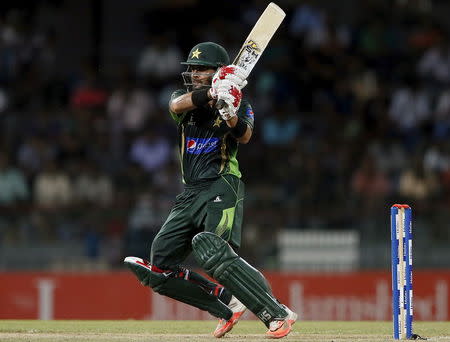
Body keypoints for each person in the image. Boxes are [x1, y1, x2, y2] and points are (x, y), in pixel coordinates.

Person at [124, 42, 297, 339]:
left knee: (211, 249)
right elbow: (176, 106)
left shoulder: (240, 102)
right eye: (190, 69)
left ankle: (277, 313)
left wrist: (229, 109)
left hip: (222, 183)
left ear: (217, 71)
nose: (193, 74)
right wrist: (213, 92)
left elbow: (244, 135)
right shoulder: (184, 98)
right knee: (159, 268)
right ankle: (226, 306)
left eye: (200, 69)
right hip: (190, 192)